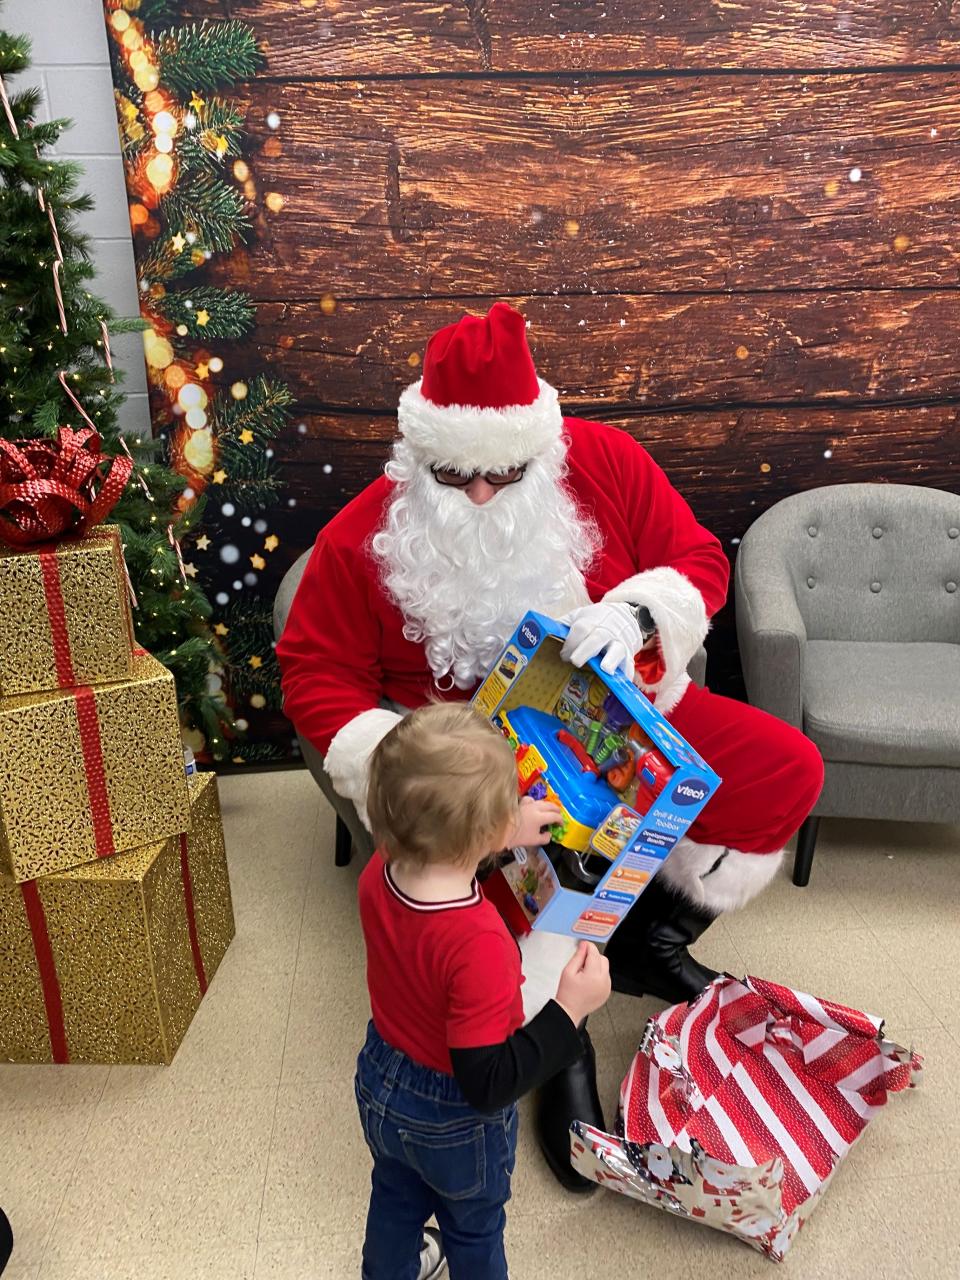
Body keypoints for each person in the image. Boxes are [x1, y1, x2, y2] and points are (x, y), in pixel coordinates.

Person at [277, 300, 824, 1193]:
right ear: (421, 457)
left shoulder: (606, 463)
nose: (482, 496)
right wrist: (411, 773)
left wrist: (638, 613)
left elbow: (697, 561)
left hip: (628, 713)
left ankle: (643, 938)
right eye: (455, 478)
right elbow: (314, 669)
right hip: (479, 765)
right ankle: (554, 1043)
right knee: (506, 925)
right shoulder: (368, 534)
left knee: (787, 771)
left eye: (504, 474)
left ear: (539, 447)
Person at [356, 702, 611, 1280]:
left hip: (380, 1077)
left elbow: (444, 856)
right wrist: (570, 1011)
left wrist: (497, 830)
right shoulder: (481, 942)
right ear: (487, 832)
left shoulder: (381, 867)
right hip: (453, 1116)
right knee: (473, 1229)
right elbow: (489, 1081)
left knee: (394, 1198)